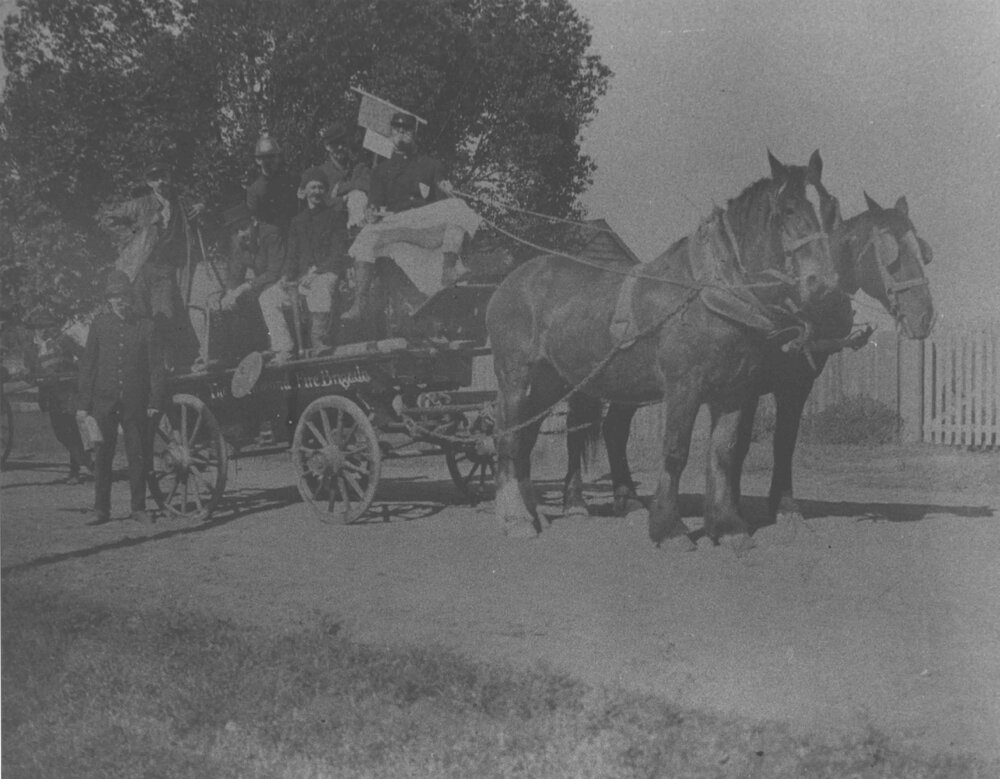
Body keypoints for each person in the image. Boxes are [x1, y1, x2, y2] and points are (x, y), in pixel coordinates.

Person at [342, 112, 481, 321]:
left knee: (457, 206)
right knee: (367, 236)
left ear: (414, 135)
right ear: (390, 134)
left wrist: (446, 187)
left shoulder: (431, 165)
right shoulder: (380, 170)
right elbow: (374, 205)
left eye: (406, 130)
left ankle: (449, 269)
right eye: (397, 130)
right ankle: (359, 302)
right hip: (397, 223)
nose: (401, 134)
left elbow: (440, 199)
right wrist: (371, 213)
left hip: (425, 224)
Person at [100, 161, 207, 373]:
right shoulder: (140, 205)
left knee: (164, 314)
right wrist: (135, 234)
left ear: (170, 177)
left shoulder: (182, 203)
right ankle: (138, 365)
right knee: (138, 314)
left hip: (166, 269)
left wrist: (202, 207)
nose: (161, 181)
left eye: (164, 176)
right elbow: (107, 218)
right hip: (141, 268)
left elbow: (202, 216)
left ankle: (166, 365)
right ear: (149, 182)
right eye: (155, 178)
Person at [76, 270, 165, 524]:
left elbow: (156, 368)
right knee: (103, 456)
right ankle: (101, 509)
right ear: (109, 300)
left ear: (131, 297)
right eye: (115, 297)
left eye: (124, 295)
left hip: (135, 404)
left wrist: (155, 402)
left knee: (138, 455)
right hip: (103, 402)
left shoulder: (146, 326)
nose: (121, 301)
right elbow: (88, 366)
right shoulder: (100, 325)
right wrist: (83, 405)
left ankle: (138, 508)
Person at [258, 167, 351, 361]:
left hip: (327, 273)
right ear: (305, 191)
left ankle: (320, 342)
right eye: (313, 187)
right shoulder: (297, 222)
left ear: (325, 191)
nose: (316, 192)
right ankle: (283, 346)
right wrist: (285, 277)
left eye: (320, 188)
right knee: (268, 297)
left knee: (321, 287)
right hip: (301, 278)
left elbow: (338, 254)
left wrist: (317, 272)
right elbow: (292, 257)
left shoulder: (335, 218)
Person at [306, 122, 371, 228]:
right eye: (335, 144)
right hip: (330, 228)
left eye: (343, 143)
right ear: (327, 147)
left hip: (358, 229)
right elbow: (320, 203)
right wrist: (344, 199)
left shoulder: (359, 167)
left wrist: (341, 189)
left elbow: (369, 186)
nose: (340, 147)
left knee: (358, 196)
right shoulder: (321, 173)